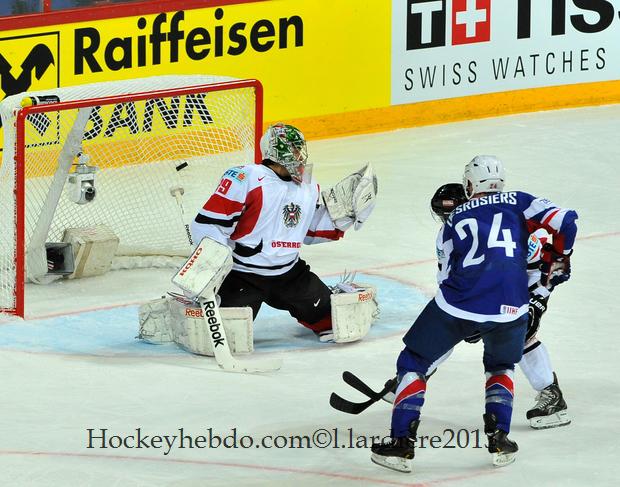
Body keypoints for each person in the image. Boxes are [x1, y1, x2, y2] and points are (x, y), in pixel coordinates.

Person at [370, 156, 577, 473]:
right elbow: (565, 226)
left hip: (485, 294)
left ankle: (401, 438)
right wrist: (559, 260)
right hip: (514, 299)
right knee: (501, 361)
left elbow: (450, 285)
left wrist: (540, 297)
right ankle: (499, 439)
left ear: (469, 187)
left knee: (419, 356)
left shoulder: (453, 225)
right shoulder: (519, 205)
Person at [189, 122, 378, 342]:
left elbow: (309, 230)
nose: (299, 155)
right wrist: (210, 266)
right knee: (219, 336)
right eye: (292, 148)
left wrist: (344, 218)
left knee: (339, 322)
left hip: (290, 275)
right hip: (242, 275)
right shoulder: (245, 178)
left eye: (300, 148)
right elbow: (208, 223)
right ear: (275, 151)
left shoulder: (308, 186)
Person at [429, 183, 571, 430]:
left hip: (523, 284)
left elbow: (542, 268)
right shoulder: (448, 234)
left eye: (450, 213)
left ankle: (552, 395)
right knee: (447, 326)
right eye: (443, 215)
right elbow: (447, 279)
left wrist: (538, 298)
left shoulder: (504, 224)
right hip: (484, 291)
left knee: (521, 333)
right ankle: (416, 372)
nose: (448, 219)